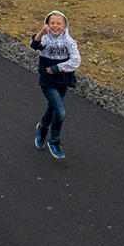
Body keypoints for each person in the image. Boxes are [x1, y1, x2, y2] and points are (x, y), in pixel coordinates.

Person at [31, 11, 80, 160]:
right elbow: (35, 44)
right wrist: (40, 33)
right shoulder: (46, 39)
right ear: (47, 24)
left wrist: (57, 68)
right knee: (61, 112)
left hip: (63, 82)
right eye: (52, 23)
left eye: (59, 23)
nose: (55, 26)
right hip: (47, 82)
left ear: (65, 26)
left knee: (52, 108)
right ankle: (55, 140)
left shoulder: (70, 42)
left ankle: (42, 128)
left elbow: (76, 60)